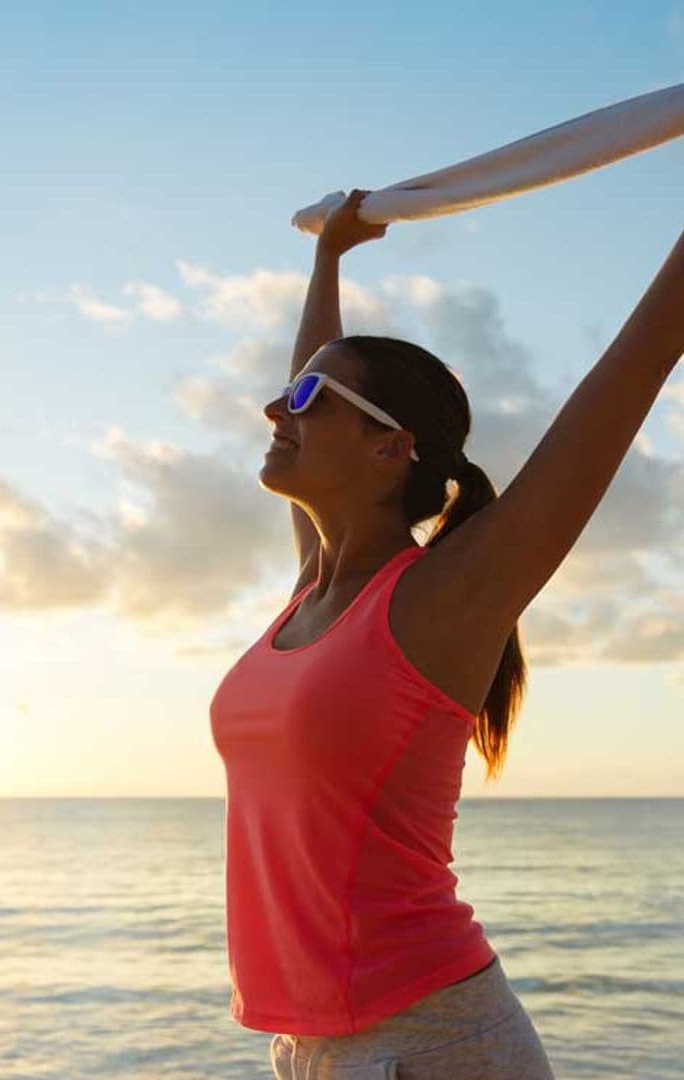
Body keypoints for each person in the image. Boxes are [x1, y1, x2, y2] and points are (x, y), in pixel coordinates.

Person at [210, 189, 683, 1078]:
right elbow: (311, 370)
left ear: (389, 450)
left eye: (308, 397)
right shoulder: (314, 586)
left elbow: (649, 346)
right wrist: (329, 256)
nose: (278, 410)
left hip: (431, 1045)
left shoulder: (446, 598)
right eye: (286, 392)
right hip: (312, 1045)